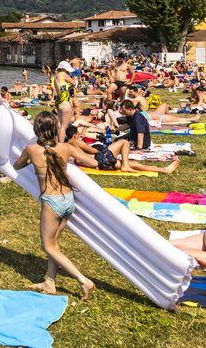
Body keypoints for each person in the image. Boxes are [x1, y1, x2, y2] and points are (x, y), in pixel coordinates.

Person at [12, 112, 95, 300]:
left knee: (48, 246)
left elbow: (16, 166)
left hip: (52, 201)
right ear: (56, 129)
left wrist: (31, 161)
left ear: (37, 130)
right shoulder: (66, 147)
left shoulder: (32, 149)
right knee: (55, 244)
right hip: (68, 199)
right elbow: (92, 161)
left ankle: (83, 280)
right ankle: (49, 281)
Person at [63, 126, 178, 174]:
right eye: (78, 135)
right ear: (74, 136)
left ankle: (164, 169)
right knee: (124, 142)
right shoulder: (75, 142)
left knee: (132, 163)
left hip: (101, 163)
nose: (80, 137)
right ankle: (125, 166)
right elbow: (93, 151)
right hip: (100, 158)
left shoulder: (66, 147)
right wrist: (101, 148)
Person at [51, 61, 77, 138]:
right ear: (64, 69)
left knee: (59, 124)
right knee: (64, 127)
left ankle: (56, 142)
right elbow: (74, 83)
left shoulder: (55, 76)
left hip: (58, 100)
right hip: (65, 100)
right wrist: (74, 78)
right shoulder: (63, 74)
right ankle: (61, 146)